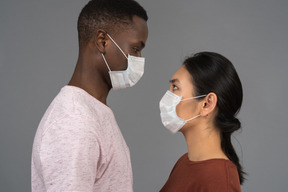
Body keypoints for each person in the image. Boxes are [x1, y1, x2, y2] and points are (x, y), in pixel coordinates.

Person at [31, 0, 148, 191]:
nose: (139, 59)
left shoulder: (92, 112)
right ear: (103, 41)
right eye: (135, 48)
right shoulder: (73, 120)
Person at [159, 52, 245, 192]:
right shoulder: (184, 163)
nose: (166, 96)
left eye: (175, 88)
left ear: (207, 104)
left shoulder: (220, 180)